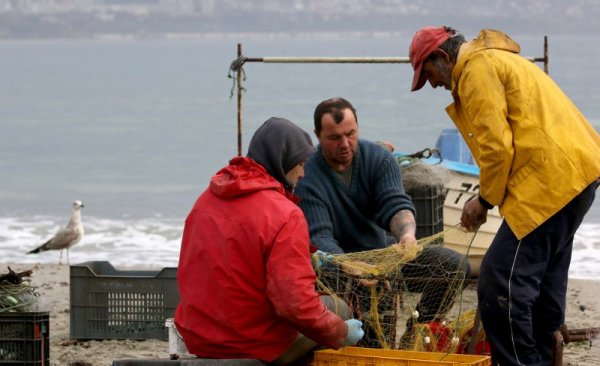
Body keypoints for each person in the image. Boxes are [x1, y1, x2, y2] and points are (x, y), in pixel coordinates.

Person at [409, 26, 600, 365]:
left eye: (430, 75)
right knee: (542, 284)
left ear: (441, 57)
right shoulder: (496, 60)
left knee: (499, 283)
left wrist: (483, 201)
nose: (435, 85)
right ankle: (545, 356)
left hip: (549, 184)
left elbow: (497, 148)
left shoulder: (475, 71)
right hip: (575, 175)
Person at [175, 117, 364, 365]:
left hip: (198, 337)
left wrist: (308, 259)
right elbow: (294, 305)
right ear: (282, 161)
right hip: (249, 343)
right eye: (300, 164)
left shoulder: (206, 199)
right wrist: (339, 332)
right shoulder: (285, 214)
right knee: (338, 308)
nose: (303, 173)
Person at [294, 97, 471, 347]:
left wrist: (407, 235)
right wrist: (353, 268)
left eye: (351, 134)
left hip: (384, 256)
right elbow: (320, 238)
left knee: (455, 266)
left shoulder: (379, 159)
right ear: (318, 136)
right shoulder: (308, 174)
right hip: (337, 268)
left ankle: (415, 334)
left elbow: (396, 205)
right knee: (374, 340)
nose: (345, 144)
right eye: (334, 138)